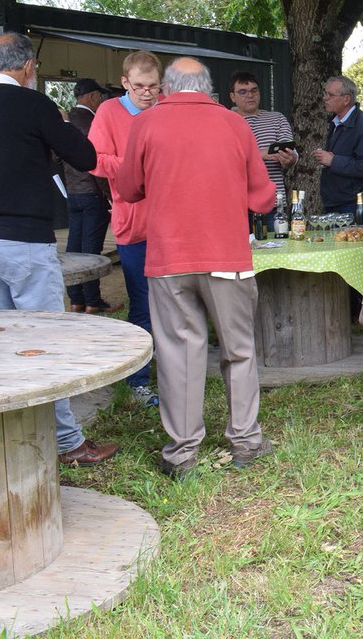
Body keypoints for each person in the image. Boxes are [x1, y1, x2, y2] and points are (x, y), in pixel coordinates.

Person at [0, 32, 119, 467]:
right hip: (23, 240)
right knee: (44, 342)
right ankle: (68, 443)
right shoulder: (34, 105)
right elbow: (86, 157)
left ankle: (9, 436)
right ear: (27, 67)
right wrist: (58, 123)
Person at [117, 57, 278, 480]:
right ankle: (246, 442)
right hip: (227, 257)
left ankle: (182, 454)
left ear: (166, 87)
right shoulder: (235, 124)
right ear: (208, 87)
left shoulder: (145, 123)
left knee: (177, 353)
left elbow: (128, 188)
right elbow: (263, 198)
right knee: (238, 349)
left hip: (169, 258)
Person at [88, 50, 162, 408]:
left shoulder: (167, 109)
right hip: (134, 224)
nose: (147, 93)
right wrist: (136, 166)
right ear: (124, 83)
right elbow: (95, 160)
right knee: (142, 304)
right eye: (139, 87)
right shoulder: (108, 112)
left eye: (153, 86)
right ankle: (138, 381)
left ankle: (176, 371)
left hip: (172, 224)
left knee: (178, 303)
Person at [64, 78, 121, 315]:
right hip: (92, 192)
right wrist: (110, 195)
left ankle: (76, 299)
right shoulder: (91, 123)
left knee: (73, 248)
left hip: (73, 191)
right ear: (91, 96)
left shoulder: (67, 121)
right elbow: (97, 162)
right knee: (90, 250)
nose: (102, 100)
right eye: (100, 95)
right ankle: (92, 301)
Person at [229, 70, 297, 228]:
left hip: (272, 204)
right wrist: (259, 154)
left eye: (254, 90)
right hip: (236, 205)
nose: (250, 95)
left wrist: (290, 159)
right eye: (243, 92)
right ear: (232, 96)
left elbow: (291, 153)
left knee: (278, 244)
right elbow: (220, 160)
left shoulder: (277, 118)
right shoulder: (224, 121)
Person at [313, 75, 363, 215]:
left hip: (352, 203)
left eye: (330, 95)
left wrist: (333, 161)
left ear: (346, 99)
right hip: (337, 201)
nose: (325, 98)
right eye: (325, 93)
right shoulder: (336, 121)